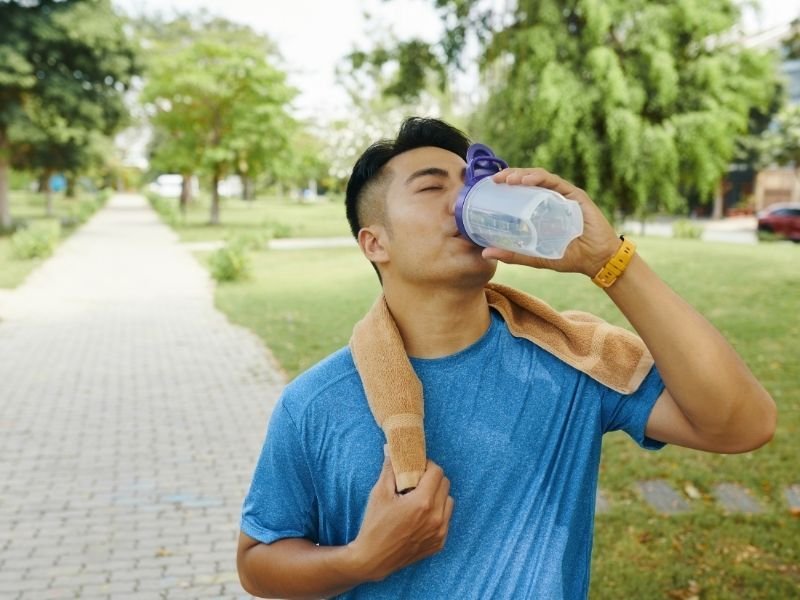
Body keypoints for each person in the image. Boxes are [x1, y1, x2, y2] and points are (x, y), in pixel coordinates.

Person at [236, 117, 776, 599]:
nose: (464, 200)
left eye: (471, 184)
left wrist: (611, 260)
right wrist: (363, 560)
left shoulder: (572, 360)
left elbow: (742, 425)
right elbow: (257, 564)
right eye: (431, 187)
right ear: (375, 243)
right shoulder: (315, 402)